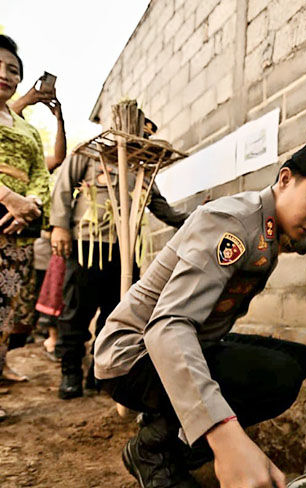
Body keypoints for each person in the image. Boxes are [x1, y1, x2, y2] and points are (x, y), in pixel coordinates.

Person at [94, 139, 306, 488]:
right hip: (133, 357)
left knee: (296, 360)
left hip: (181, 348)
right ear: (285, 179)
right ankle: (153, 448)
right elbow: (168, 327)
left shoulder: (271, 223)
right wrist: (225, 438)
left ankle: (172, 425)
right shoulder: (231, 223)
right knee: (276, 377)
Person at [50, 148, 189, 399]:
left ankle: (97, 370)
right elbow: (63, 186)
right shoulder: (90, 155)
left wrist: (194, 219)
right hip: (88, 245)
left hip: (125, 251)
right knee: (77, 310)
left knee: (115, 312)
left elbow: (160, 206)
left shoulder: (142, 168)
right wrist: (59, 226)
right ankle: (70, 371)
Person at [0, 35, 47, 416]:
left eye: (12, 70)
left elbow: (40, 174)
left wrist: (30, 204)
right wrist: (8, 199)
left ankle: (0, 365)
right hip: (4, 209)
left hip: (18, 229)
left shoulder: (28, 129)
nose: (4, 74)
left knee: (7, 303)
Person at [9, 81, 67, 363]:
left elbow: (56, 159)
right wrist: (27, 99)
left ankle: (4, 363)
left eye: (12, 70)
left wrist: (59, 121)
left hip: (23, 237)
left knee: (15, 305)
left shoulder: (31, 160)